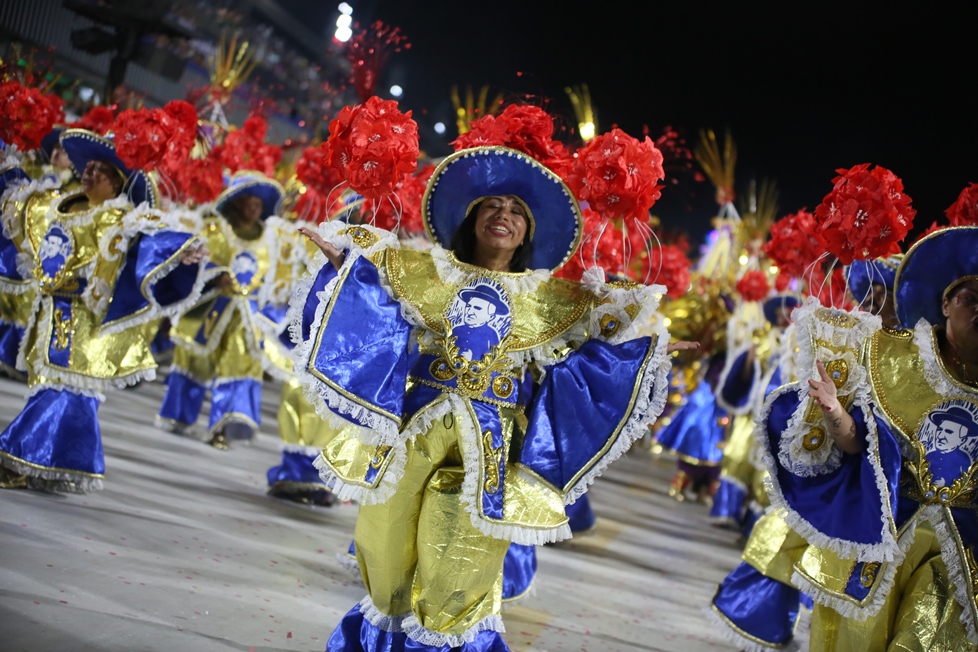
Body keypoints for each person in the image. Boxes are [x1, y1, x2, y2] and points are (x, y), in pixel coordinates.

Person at [292, 146, 695, 651]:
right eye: (492, 205)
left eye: (516, 212)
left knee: (456, 564)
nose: (503, 216)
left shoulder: (553, 301)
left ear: (527, 231)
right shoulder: (422, 272)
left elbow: (589, 358)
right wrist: (342, 267)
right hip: (409, 436)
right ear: (471, 216)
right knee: (385, 549)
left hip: (488, 447)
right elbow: (373, 305)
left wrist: (644, 354)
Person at [760, 226, 978, 650]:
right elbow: (858, 444)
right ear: (947, 304)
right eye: (972, 300)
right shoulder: (891, 358)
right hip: (886, 536)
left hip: (958, 555)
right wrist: (836, 412)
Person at [0, 128, 206, 492]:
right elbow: (26, 209)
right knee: (61, 389)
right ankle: (60, 463)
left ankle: (19, 454)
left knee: (68, 390)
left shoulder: (120, 221)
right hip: (52, 314)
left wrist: (181, 253)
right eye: (89, 167)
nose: (90, 173)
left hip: (90, 321)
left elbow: (150, 241)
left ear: (117, 184)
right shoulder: (64, 204)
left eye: (101, 170)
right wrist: (10, 171)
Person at [156, 171, 284, 449]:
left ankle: (225, 427)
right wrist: (216, 275)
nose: (255, 208)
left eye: (259, 204)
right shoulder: (215, 228)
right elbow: (197, 259)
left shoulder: (271, 238)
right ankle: (178, 415)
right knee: (193, 361)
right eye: (250, 201)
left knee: (240, 367)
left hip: (247, 318)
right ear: (237, 202)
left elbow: (274, 276)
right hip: (209, 310)